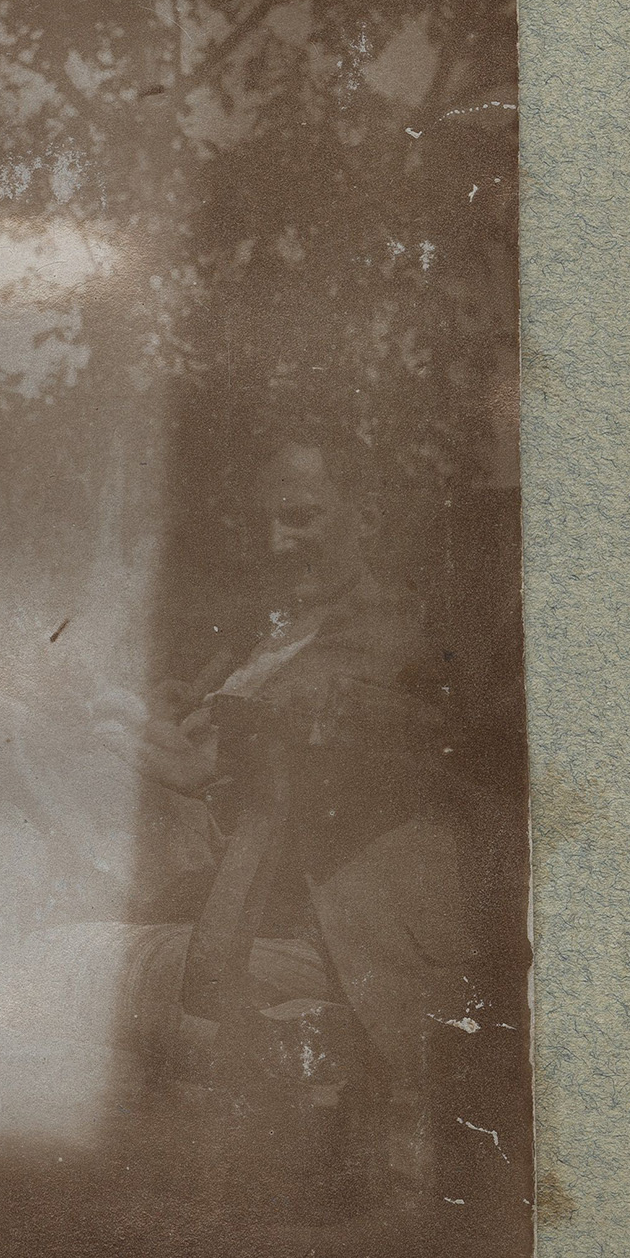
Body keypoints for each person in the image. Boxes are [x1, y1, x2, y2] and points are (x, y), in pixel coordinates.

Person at [125, 437, 485, 1208]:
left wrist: (154, 740)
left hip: (346, 930)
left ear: (367, 518)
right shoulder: (272, 632)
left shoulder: (389, 634)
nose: (275, 542)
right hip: (244, 896)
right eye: (263, 522)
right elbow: (196, 731)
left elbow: (227, 758)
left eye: (299, 517)